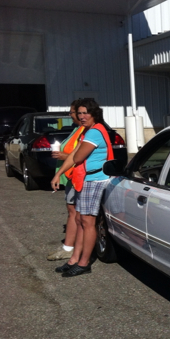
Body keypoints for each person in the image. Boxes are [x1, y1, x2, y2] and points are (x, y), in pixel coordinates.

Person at [50, 98, 112, 277]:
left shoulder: (94, 133)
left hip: (93, 180)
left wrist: (69, 160)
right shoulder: (86, 131)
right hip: (84, 180)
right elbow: (73, 157)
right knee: (79, 221)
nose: (82, 116)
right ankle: (74, 259)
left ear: (94, 114)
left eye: (86, 113)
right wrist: (57, 174)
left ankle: (84, 263)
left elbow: (77, 157)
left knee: (87, 222)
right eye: (80, 113)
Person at [47, 99, 84, 261]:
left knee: (76, 213)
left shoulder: (85, 131)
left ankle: (71, 248)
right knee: (72, 212)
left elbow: (84, 156)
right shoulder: (77, 130)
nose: (70, 115)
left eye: (72, 112)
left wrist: (64, 156)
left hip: (77, 177)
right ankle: (69, 246)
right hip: (70, 177)